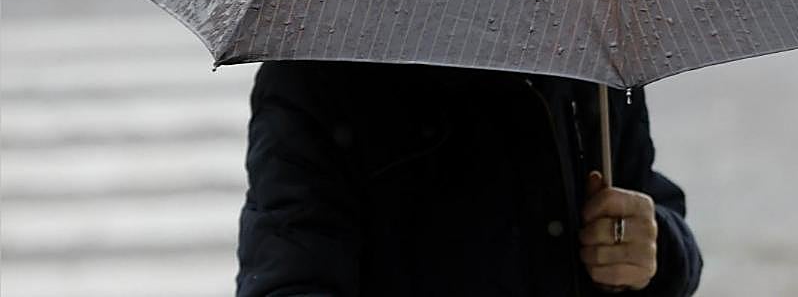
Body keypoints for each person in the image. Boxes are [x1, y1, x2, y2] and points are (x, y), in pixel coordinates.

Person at [236, 60, 703, 296]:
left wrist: (654, 249)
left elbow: (644, 201)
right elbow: (289, 275)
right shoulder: (319, 74)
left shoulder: (592, 56)